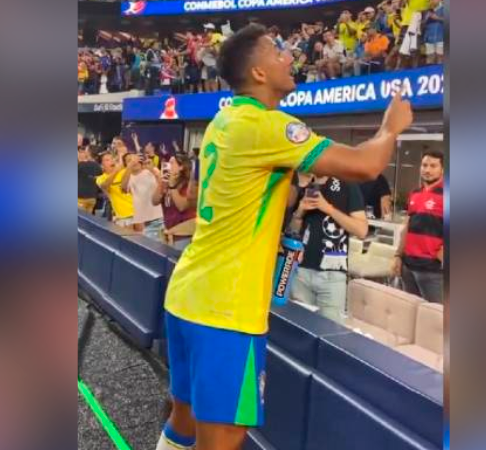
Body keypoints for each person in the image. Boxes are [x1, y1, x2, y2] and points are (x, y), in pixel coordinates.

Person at [158, 23, 411, 450]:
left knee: (182, 421)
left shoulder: (224, 121)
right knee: (222, 437)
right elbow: (365, 166)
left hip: (186, 295)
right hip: (226, 308)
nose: (289, 58)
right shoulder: (268, 126)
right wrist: (390, 128)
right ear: (258, 73)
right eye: (278, 52)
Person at [287, 172, 367, 322]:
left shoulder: (346, 183)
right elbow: (292, 232)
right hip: (300, 272)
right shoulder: (305, 186)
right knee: (300, 331)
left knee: (329, 334)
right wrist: (299, 212)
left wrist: (328, 208)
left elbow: (362, 230)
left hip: (332, 276)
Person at [393, 150, 445, 303]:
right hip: (408, 267)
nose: (427, 170)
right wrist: (397, 255)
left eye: (433, 166)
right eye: (424, 165)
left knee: (437, 318)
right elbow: (407, 226)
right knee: (412, 316)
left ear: (442, 169)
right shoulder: (415, 193)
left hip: (432, 270)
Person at [156, 153, 199, 249]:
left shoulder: (188, 184)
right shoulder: (166, 183)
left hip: (184, 234)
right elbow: (154, 201)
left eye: (172, 163)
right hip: (169, 232)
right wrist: (161, 184)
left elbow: (182, 206)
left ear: (181, 167)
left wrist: (172, 186)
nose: (168, 166)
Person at [123, 153, 166, 240]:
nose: (134, 162)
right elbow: (123, 188)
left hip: (159, 218)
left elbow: (164, 187)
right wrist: (129, 168)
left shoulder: (151, 171)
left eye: (135, 159)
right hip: (143, 222)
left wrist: (153, 170)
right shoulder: (129, 178)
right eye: (129, 161)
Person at [96, 152, 135, 227]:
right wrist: (116, 170)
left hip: (137, 212)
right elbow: (105, 186)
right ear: (102, 165)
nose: (111, 161)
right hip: (122, 216)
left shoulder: (124, 171)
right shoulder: (100, 179)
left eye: (112, 159)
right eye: (107, 160)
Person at [78, 146, 104, 213]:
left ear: (88, 153)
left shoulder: (81, 165)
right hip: (92, 198)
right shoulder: (99, 167)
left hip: (80, 198)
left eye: (85, 150)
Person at [422, 0, 447, 66]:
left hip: (441, 37)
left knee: (440, 57)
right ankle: (429, 73)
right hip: (429, 37)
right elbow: (422, 25)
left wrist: (437, 18)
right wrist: (424, 21)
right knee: (430, 58)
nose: (432, 1)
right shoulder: (427, 11)